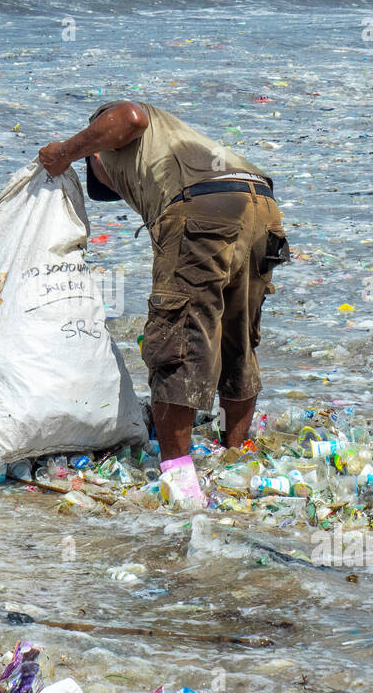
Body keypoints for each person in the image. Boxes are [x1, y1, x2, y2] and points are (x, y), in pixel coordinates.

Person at [38, 100, 288, 506]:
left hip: (203, 209)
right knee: (236, 338)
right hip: (261, 204)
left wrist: (65, 153)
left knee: (176, 342)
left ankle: (179, 482)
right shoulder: (181, 143)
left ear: (100, 147)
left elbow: (129, 117)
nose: (111, 186)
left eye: (99, 174)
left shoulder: (124, 125)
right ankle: (235, 459)